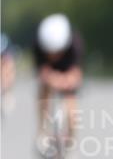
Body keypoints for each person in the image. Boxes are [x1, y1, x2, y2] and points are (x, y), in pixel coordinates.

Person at [33, 14, 84, 149]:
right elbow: (42, 72)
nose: (54, 55)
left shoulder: (75, 43)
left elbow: (76, 74)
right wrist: (52, 79)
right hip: (50, 74)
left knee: (72, 107)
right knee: (43, 90)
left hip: (67, 72)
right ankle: (42, 130)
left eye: (57, 52)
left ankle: (70, 143)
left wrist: (66, 81)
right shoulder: (38, 45)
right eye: (50, 52)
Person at [1, 33, 16, 115]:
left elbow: (10, 71)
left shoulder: (8, 54)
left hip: (7, 56)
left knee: (7, 70)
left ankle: (6, 94)